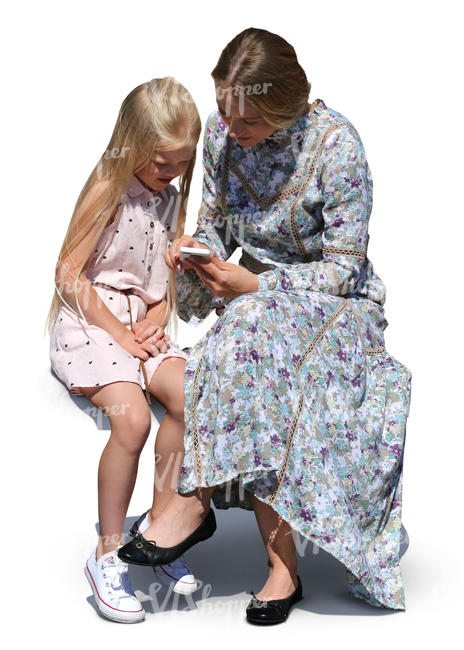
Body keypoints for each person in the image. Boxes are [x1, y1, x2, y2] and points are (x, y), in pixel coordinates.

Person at [118, 28, 412, 624]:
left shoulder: (336, 147)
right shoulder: (226, 132)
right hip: (254, 302)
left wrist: (257, 286)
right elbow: (216, 223)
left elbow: (345, 269)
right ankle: (227, 526)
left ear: (283, 105)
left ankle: (206, 511)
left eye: (245, 120)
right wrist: (196, 253)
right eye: (223, 114)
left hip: (338, 307)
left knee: (250, 334)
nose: (229, 130)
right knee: (244, 344)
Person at [45, 77, 203, 623]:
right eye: (161, 163)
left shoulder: (172, 198)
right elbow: (69, 273)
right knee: (132, 420)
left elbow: (163, 282)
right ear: (131, 144)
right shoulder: (107, 190)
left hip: (139, 322)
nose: (171, 175)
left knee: (191, 397)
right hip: (93, 321)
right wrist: (121, 332)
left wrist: (158, 319)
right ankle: (108, 551)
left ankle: (159, 531)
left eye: (181, 164)